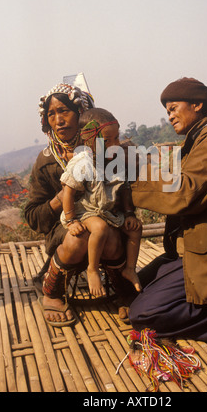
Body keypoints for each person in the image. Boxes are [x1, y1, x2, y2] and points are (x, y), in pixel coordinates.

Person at [129, 77, 207, 347]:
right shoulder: (196, 142)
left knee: (142, 315)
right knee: (132, 288)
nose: (170, 116)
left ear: (197, 105)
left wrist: (133, 178)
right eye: (167, 111)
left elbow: (185, 193)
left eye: (174, 108)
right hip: (191, 248)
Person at [25, 83, 136, 327]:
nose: (58, 120)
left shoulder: (106, 150)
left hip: (106, 222)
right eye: (51, 114)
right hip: (66, 229)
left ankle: (124, 292)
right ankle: (52, 294)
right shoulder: (45, 162)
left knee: (108, 234)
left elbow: (124, 189)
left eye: (64, 111)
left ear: (82, 116)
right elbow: (34, 218)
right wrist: (65, 194)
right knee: (80, 236)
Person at [60, 107, 142, 297]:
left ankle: (130, 268)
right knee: (100, 228)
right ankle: (92, 270)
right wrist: (72, 221)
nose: (115, 144)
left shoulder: (115, 160)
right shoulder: (84, 161)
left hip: (108, 211)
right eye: (108, 141)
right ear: (90, 141)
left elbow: (124, 188)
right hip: (86, 211)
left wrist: (129, 214)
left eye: (116, 138)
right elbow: (68, 192)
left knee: (135, 229)